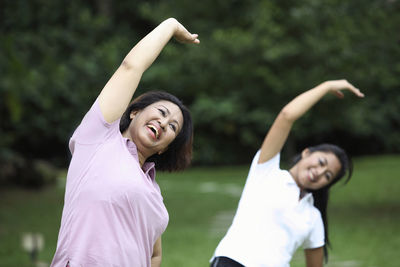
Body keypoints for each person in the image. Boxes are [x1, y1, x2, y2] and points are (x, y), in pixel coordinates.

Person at [50, 18, 199, 267]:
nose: (164, 123)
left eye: (173, 126)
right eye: (161, 113)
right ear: (134, 112)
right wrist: (171, 26)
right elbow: (132, 66)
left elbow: (154, 254)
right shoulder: (98, 139)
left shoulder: (152, 191)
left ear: (164, 147)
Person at [210, 80, 364, 267]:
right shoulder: (267, 170)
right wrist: (326, 87)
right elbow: (287, 116)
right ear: (307, 152)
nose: (319, 172)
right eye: (321, 162)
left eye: (328, 176)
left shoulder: (313, 217)